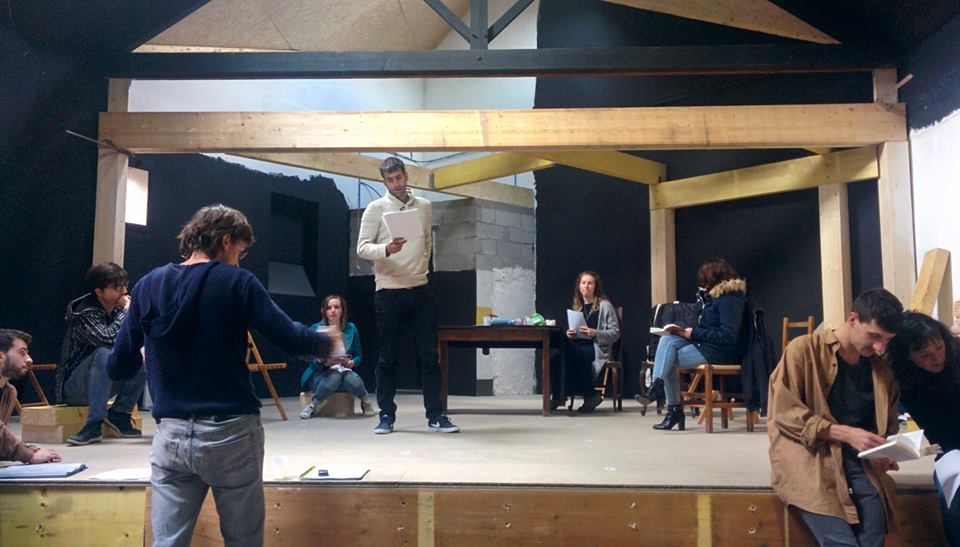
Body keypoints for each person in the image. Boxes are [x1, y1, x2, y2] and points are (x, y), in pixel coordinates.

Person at [107, 204, 339, 547]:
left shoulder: (147, 286)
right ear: (226, 240)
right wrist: (329, 342)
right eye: (240, 253)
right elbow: (288, 336)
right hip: (231, 434)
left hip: (170, 436)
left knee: (167, 542)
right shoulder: (237, 282)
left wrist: (147, 355)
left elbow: (118, 367)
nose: (239, 262)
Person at [768, 288, 903, 547]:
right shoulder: (804, 350)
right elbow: (784, 412)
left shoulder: (881, 370)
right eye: (874, 336)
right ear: (852, 319)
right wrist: (845, 433)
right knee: (838, 539)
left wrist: (884, 450)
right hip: (809, 453)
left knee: (875, 527)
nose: (879, 347)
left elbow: (885, 424)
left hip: (858, 458)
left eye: (887, 340)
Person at [356, 157, 459, 435]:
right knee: (387, 357)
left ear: (406, 176)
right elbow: (362, 248)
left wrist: (422, 267)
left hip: (420, 288)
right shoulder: (376, 209)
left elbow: (426, 240)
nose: (396, 184)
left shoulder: (423, 206)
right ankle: (386, 416)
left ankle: (436, 416)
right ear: (384, 182)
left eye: (399, 178)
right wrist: (386, 249)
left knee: (429, 357)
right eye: (390, 180)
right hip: (388, 290)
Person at [638, 258, 748, 431]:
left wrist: (694, 333)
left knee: (667, 360)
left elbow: (729, 335)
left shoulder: (730, 300)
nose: (702, 285)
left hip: (721, 351)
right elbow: (706, 326)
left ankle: (672, 408)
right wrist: (683, 331)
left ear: (714, 279)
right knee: (666, 340)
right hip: (706, 344)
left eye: (705, 281)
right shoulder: (712, 299)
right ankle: (657, 387)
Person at [888, 311, 960, 546]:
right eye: (924, 355)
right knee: (954, 498)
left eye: (939, 348)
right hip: (950, 452)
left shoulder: (956, 353)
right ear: (908, 357)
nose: (936, 358)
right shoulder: (901, 379)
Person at [58, 262, 146, 446]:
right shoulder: (84, 312)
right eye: (117, 288)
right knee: (104, 352)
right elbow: (106, 338)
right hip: (74, 388)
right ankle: (94, 424)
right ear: (99, 292)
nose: (124, 292)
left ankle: (119, 414)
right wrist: (127, 313)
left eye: (124, 286)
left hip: (104, 382)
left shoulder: (117, 310)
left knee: (143, 356)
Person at [551, 271, 620, 413]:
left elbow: (615, 333)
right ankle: (559, 396)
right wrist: (571, 334)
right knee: (555, 360)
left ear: (595, 286)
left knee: (573, 354)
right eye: (583, 283)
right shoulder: (579, 308)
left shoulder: (605, 306)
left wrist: (596, 333)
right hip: (578, 345)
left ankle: (589, 394)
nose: (586, 286)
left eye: (590, 283)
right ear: (579, 286)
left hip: (595, 348)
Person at [299, 295, 375, 419]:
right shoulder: (315, 328)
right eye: (329, 308)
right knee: (335, 375)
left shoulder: (351, 328)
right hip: (321, 375)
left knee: (349, 376)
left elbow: (358, 355)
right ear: (324, 311)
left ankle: (365, 402)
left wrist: (352, 363)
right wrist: (322, 362)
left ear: (342, 310)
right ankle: (313, 405)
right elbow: (309, 357)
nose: (333, 310)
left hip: (344, 371)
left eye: (336, 307)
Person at [0, 329, 61, 464]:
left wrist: (30, 449)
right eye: (22, 353)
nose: (29, 359)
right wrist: (28, 455)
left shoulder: (8, 393)